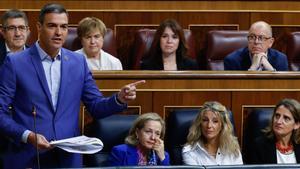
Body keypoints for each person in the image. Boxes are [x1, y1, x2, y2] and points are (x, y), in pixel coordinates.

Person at [0, 3, 144, 169]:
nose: (58, 32)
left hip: (68, 158)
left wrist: (118, 99)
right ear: (39, 27)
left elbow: (96, 106)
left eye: (64, 26)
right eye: (52, 26)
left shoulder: (78, 62)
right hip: (29, 156)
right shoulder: (15, 62)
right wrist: (27, 135)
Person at [182, 101, 243, 165]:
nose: (209, 126)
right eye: (205, 120)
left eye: (215, 121)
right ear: (199, 123)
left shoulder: (233, 148)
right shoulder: (189, 151)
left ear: (222, 125)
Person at [249, 99, 300, 164]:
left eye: (286, 118)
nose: (279, 121)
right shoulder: (259, 146)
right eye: (277, 116)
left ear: (296, 125)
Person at [224, 21, 288, 71]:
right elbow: (234, 87)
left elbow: (284, 86)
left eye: (261, 38)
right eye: (252, 37)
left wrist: (270, 70)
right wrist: (253, 68)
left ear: (270, 42)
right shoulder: (233, 60)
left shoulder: (280, 59)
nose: (256, 42)